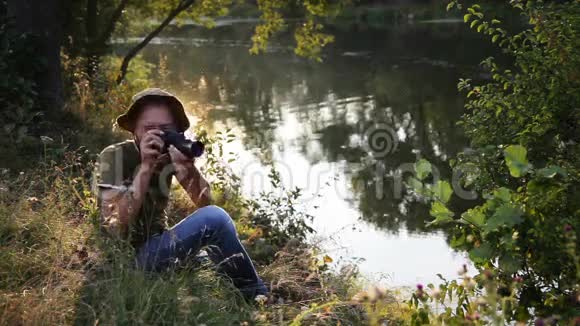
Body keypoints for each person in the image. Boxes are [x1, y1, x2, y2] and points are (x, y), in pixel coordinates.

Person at [94, 88, 268, 299]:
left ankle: (242, 296)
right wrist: (146, 168)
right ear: (134, 131)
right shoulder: (114, 156)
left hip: (159, 248)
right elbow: (114, 225)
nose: (157, 136)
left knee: (216, 251)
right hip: (125, 259)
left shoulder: (169, 156)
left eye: (165, 129)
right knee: (215, 219)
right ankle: (254, 294)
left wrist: (187, 169)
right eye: (149, 128)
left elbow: (206, 204)